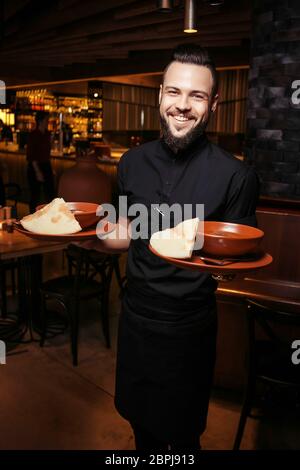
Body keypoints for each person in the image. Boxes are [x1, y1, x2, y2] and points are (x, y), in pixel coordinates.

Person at [81, 44, 259, 451]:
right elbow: (124, 234)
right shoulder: (130, 163)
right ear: (160, 95)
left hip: (188, 329)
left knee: (180, 439)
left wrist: (215, 256)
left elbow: (238, 260)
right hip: (136, 318)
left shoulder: (237, 176)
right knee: (139, 425)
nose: (183, 105)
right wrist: (87, 234)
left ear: (213, 103)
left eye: (196, 96)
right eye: (175, 92)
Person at [26, 111, 55, 212]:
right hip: (35, 166)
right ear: (41, 121)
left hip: (46, 165)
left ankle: (50, 217)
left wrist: (50, 167)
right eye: (47, 120)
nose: (48, 122)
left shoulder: (47, 134)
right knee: (35, 195)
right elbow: (31, 155)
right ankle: (32, 218)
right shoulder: (33, 135)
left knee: (50, 194)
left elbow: (46, 152)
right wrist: (37, 171)